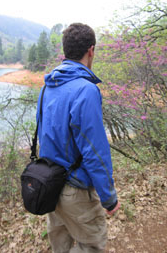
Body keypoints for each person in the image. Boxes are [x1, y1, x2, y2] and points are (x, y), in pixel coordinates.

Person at [37, 23, 120, 253]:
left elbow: (44, 136)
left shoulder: (47, 86)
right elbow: (94, 150)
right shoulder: (86, 90)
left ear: (65, 51)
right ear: (91, 50)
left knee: (60, 247)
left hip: (51, 184)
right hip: (77, 191)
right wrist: (109, 198)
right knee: (92, 246)